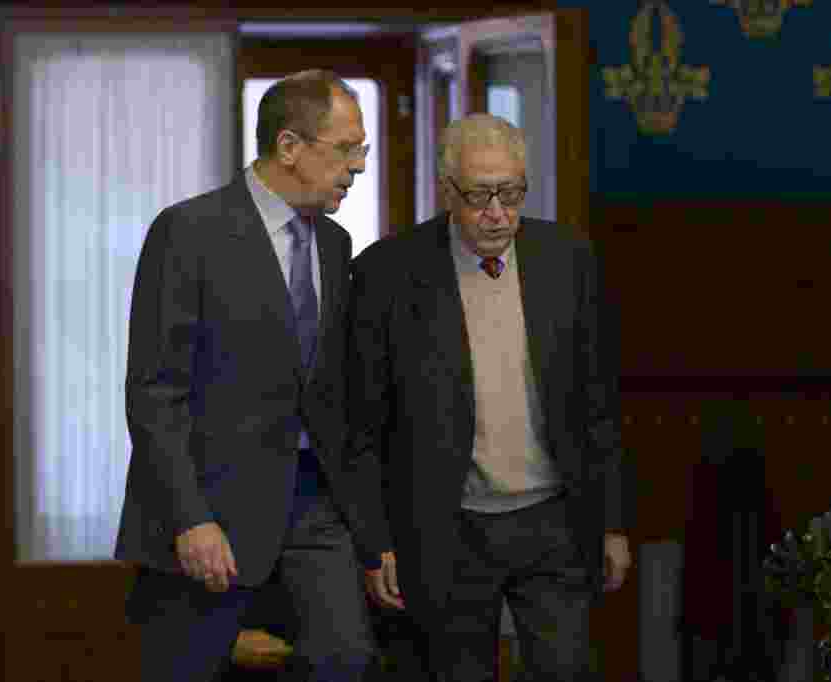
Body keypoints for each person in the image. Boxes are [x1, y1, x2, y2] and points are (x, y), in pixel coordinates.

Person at [346, 113, 632, 681]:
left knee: (565, 669)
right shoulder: (388, 272)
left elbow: (597, 402)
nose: (497, 213)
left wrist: (613, 523)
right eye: (479, 196)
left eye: (511, 193)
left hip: (554, 519)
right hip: (447, 527)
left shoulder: (568, 259)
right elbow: (364, 422)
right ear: (447, 191)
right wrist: (375, 542)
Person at [116, 69, 379, 682]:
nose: (359, 165)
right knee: (191, 666)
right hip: (212, 507)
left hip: (314, 502)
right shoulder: (189, 232)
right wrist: (190, 517)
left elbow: (329, 394)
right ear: (289, 147)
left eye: (362, 149)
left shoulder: (336, 245)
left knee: (347, 658)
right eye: (346, 148)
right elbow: (155, 394)